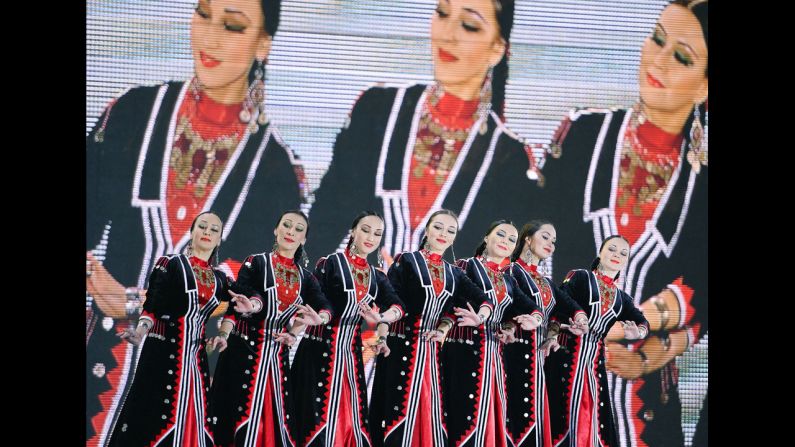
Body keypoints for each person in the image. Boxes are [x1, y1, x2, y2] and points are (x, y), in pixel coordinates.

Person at [86, 1, 305, 443]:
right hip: (100, 365)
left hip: (190, 378)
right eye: (203, 14)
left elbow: (250, 295)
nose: (209, 37)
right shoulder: (133, 112)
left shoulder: (276, 171)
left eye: (232, 25)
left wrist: (133, 302)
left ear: (263, 43)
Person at [539, 1, 708, 444]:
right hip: (548, 394)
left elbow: (704, 295)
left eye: (682, 57)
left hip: (645, 413)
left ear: (705, 87)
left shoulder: (702, 184)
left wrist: (648, 348)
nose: (658, 59)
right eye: (656, 39)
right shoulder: (580, 136)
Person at [310, 0, 542, 261]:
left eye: (469, 25)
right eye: (442, 14)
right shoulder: (379, 109)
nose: (447, 34)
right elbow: (322, 227)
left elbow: (499, 269)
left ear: (497, 49)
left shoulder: (508, 157)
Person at [106, 212, 257, 446]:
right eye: (202, 227)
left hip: (196, 363)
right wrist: (139, 332)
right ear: (192, 232)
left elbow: (242, 302)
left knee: (193, 419)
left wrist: (225, 333)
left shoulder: (220, 280)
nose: (207, 232)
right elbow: (153, 304)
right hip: (162, 354)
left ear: (219, 240)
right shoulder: (171, 264)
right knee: (152, 418)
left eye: (214, 230)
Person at [368, 209, 494, 447]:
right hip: (398, 348)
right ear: (426, 230)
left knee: (429, 415)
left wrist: (475, 319)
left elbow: (484, 301)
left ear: (455, 238)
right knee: (395, 416)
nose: (443, 234)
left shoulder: (454, 272)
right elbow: (390, 302)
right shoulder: (406, 260)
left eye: (450, 230)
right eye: (438, 227)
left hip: (431, 354)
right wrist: (382, 338)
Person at [208, 210, 333, 447]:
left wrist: (318, 320)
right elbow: (246, 291)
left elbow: (323, 304)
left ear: (304, 240)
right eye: (286, 225)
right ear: (276, 229)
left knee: (274, 424)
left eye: (298, 230)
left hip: (276, 359)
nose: (291, 232)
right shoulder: (256, 262)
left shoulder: (305, 278)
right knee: (235, 420)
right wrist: (253, 305)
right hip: (243, 352)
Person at [291, 211, 406, 447]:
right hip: (318, 351)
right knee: (313, 421)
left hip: (350, 359)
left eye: (377, 233)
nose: (370, 238)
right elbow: (311, 302)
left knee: (349, 421)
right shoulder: (330, 263)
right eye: (365, 230)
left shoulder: (376, 276)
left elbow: (398, 307)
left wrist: (381, 319)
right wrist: (294, 332)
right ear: (352, 232)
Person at [442, 220, 542, 447]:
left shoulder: (508, 280)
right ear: (486, 238)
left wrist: (528, 322)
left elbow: (532, 309)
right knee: (462, 417)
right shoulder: (465, 266)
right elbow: (449, 304)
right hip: (464, 350)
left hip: (493, 356)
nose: (505, 242)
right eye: (501, 235)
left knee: (490, 416)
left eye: (511, 240)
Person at [544, 236, 650, 447]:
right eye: (612, 249)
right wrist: (553, 334)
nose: (617, 256)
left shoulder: (622, 298)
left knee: (591, 421)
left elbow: (643, 323)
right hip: (564, 356)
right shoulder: (580, 277)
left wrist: (637, 333)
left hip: (593, 368)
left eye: (623, 253)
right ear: (600, 253)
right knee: (560, 418)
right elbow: (559, 306)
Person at [503, 220, 588, 447]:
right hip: (510, 356)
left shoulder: (546, 283)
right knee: (512, 422)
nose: (551, 243)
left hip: (537, 364)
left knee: (534, 423)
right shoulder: (510, 272)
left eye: (554, 241)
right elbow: (506, 308)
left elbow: (566, 308)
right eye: (545, 236)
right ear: (528, 239)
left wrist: (574, 322)